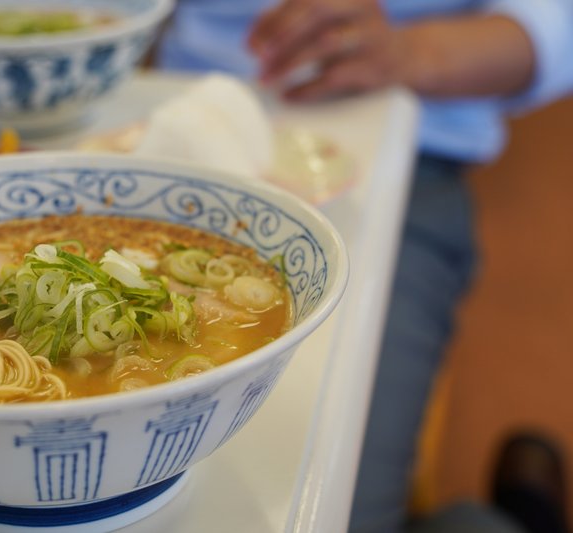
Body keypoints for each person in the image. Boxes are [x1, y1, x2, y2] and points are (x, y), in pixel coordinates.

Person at [155, 1, 573, 531]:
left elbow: (556, 23)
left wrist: (409, 51)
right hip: (174, 127)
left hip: (406, 153)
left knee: (335, 509)